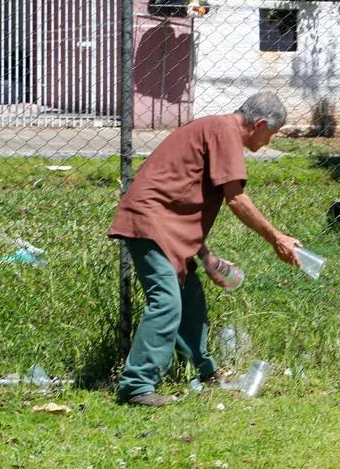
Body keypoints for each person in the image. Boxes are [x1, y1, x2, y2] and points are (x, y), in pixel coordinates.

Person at [108, 91, 302, 407]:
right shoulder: (225, 131)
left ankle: (203, 371)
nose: (267, 143)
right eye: (271, 135)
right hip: (148, 221)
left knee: (190, 299)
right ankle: (136, 386)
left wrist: (204, 254)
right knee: (166, 302)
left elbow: (183, 194)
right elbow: (236, 198)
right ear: (260, 124)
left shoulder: (216, 130)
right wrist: (277, 238)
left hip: (165, 225)